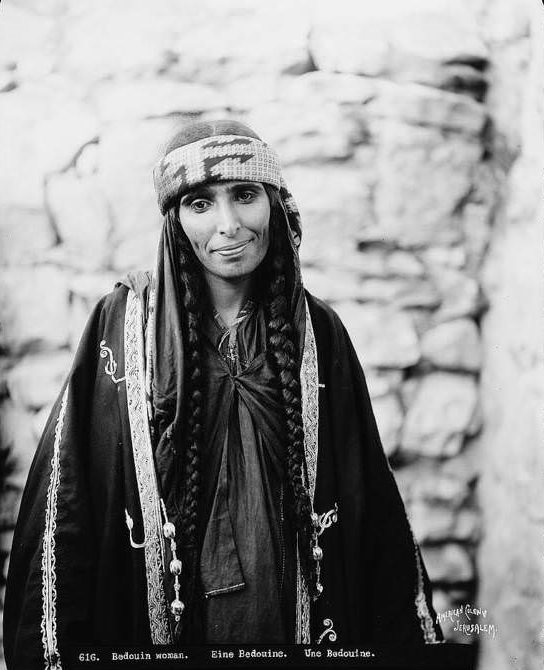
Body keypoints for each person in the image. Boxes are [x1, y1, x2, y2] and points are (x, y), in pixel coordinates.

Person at [4, 119, 442, 669]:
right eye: (200, 204)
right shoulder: (121, 330)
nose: (229, 225)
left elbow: (364, 498)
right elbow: (69, 501)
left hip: (289, 626)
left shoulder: (318, 333)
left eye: (244, 195)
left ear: (275, 203)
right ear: (174, 221)